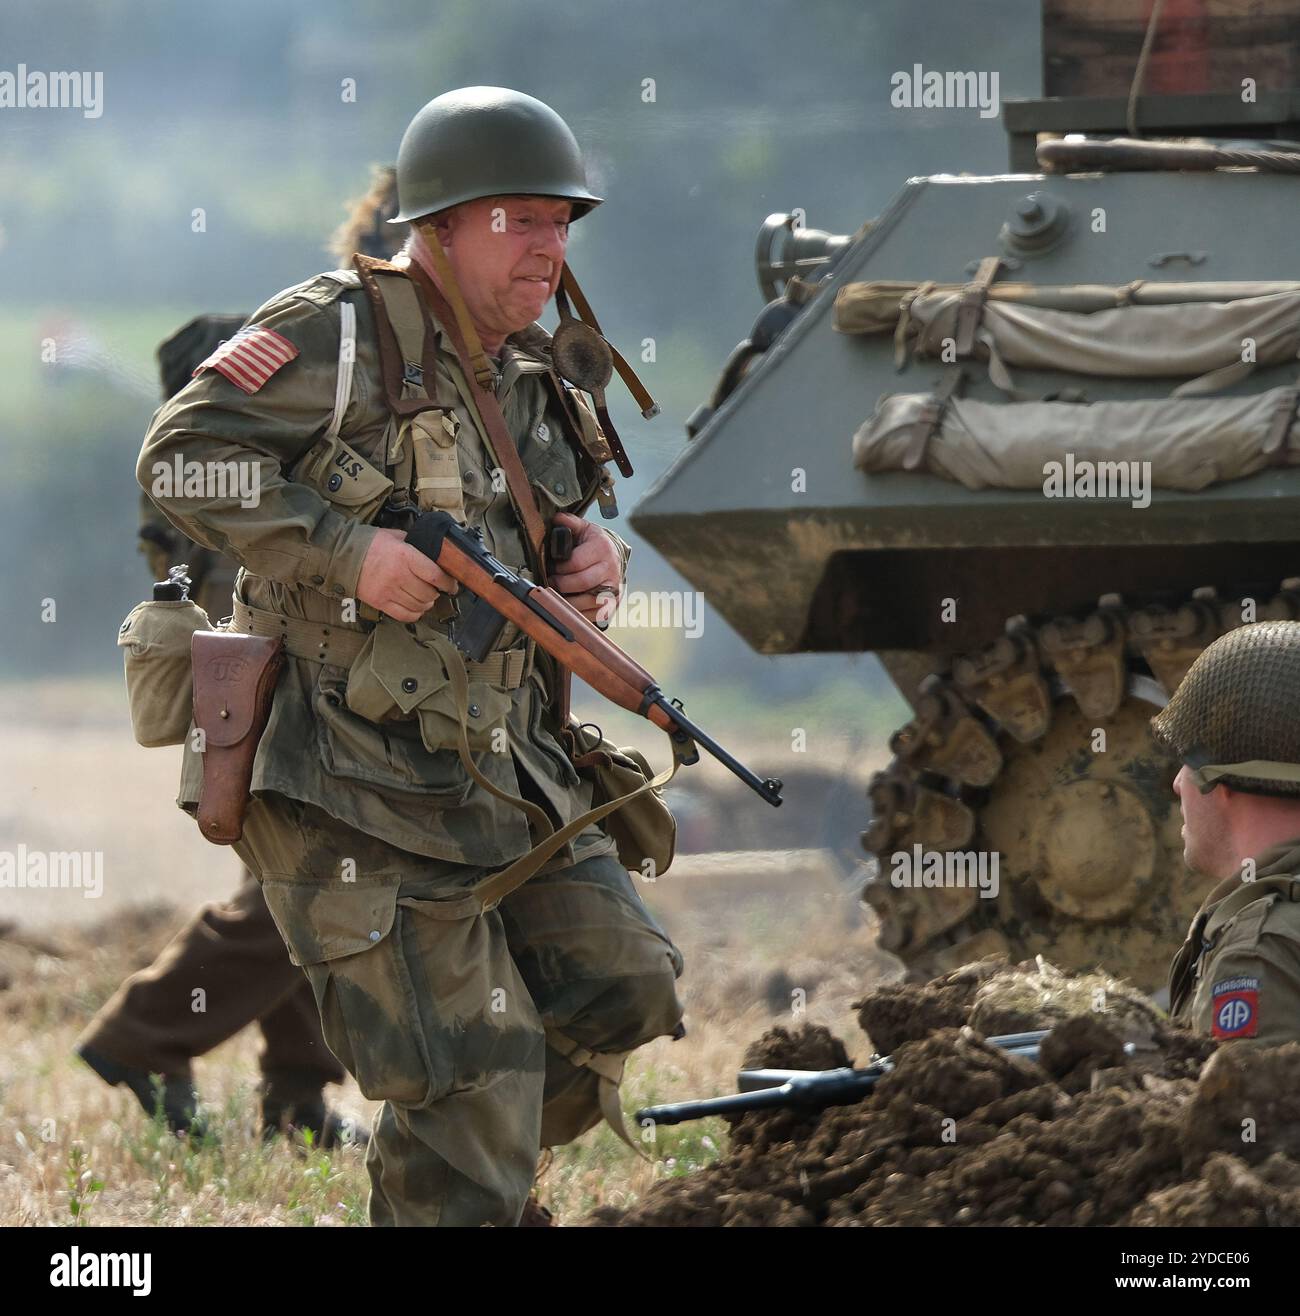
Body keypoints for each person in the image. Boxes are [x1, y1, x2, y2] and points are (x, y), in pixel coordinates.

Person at [135, 86, 685, 1227]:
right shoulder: (332, 332)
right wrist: (344, 549)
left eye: (560, 220)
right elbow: (179, 460)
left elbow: (546, 526)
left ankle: (460, 1183)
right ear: (439, 225)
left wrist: (591, 553)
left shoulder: (527, 363)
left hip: (499, 766)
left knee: (621, 989)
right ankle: (462, 1182)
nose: (547, 245)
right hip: (343, 775)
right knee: (470, 1077)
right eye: (517, 219)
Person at [77, 168, 410, 1145]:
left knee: (291, 861)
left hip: (311, 628)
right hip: (283, 629)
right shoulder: (329, 349)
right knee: (316, 868)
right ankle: (143, 1034)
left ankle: (298, 1093)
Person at [1152, 620, 1300, 1046]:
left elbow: (1241, 1109)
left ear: (1221, 783)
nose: (1177, 784)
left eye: (1186, 763)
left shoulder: (1256, 958)